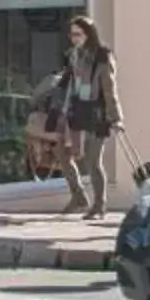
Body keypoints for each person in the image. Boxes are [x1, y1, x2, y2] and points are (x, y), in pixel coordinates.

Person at [50, 16, 119, 218]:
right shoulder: (73, 55)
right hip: (76, 110)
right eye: (71, 34)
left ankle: (99, 205)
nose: (73, 38)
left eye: (77, 34)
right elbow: (69, 84)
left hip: (96, 112)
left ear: (88, 34)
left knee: (93, 161)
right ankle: (79, 196)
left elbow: (109, 89)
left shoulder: (102, 57)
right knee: (63, 153)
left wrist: (115, 117)